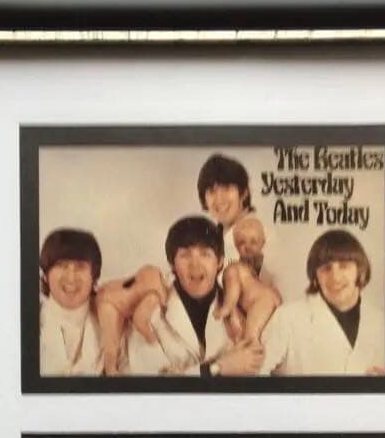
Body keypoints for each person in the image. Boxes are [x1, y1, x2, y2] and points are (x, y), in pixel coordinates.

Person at [124, 215, 266, 377]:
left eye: (205, 254)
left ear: (220, 262)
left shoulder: (240, 308)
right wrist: (218, 368)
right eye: (185, 255)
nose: (195, 265)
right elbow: (149, 383)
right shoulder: (148, 313)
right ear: (172, 264)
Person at [261, 229, 385, 376]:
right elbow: (254, 374)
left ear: (360, 271)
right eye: (326, 269)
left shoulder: (381, 321)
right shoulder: (287, 318)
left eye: (344, 266)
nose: (335, 277)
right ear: (315, 278)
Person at [39, 228, 105, 376]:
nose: (71, 277)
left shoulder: (110, 323)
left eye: (80, 266)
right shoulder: (26, 321)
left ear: (94, 276)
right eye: (61, 265)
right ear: (45, 274)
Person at [196, 153, 260, 267]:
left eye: (226, 188)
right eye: (212, 191)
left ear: (244, 193)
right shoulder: (215, 237)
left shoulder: (258, 236)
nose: (219, 199)